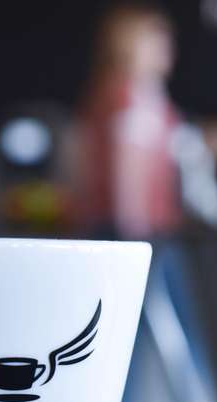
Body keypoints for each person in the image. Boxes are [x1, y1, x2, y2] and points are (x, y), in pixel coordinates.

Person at [77, 5, 181, 239]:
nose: (165, 49)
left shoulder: (137, 92)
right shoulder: (131, 96)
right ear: (128, 45)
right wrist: (134, 234)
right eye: (155, 41)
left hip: (141, 225)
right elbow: (127, 169)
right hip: (136, 230)